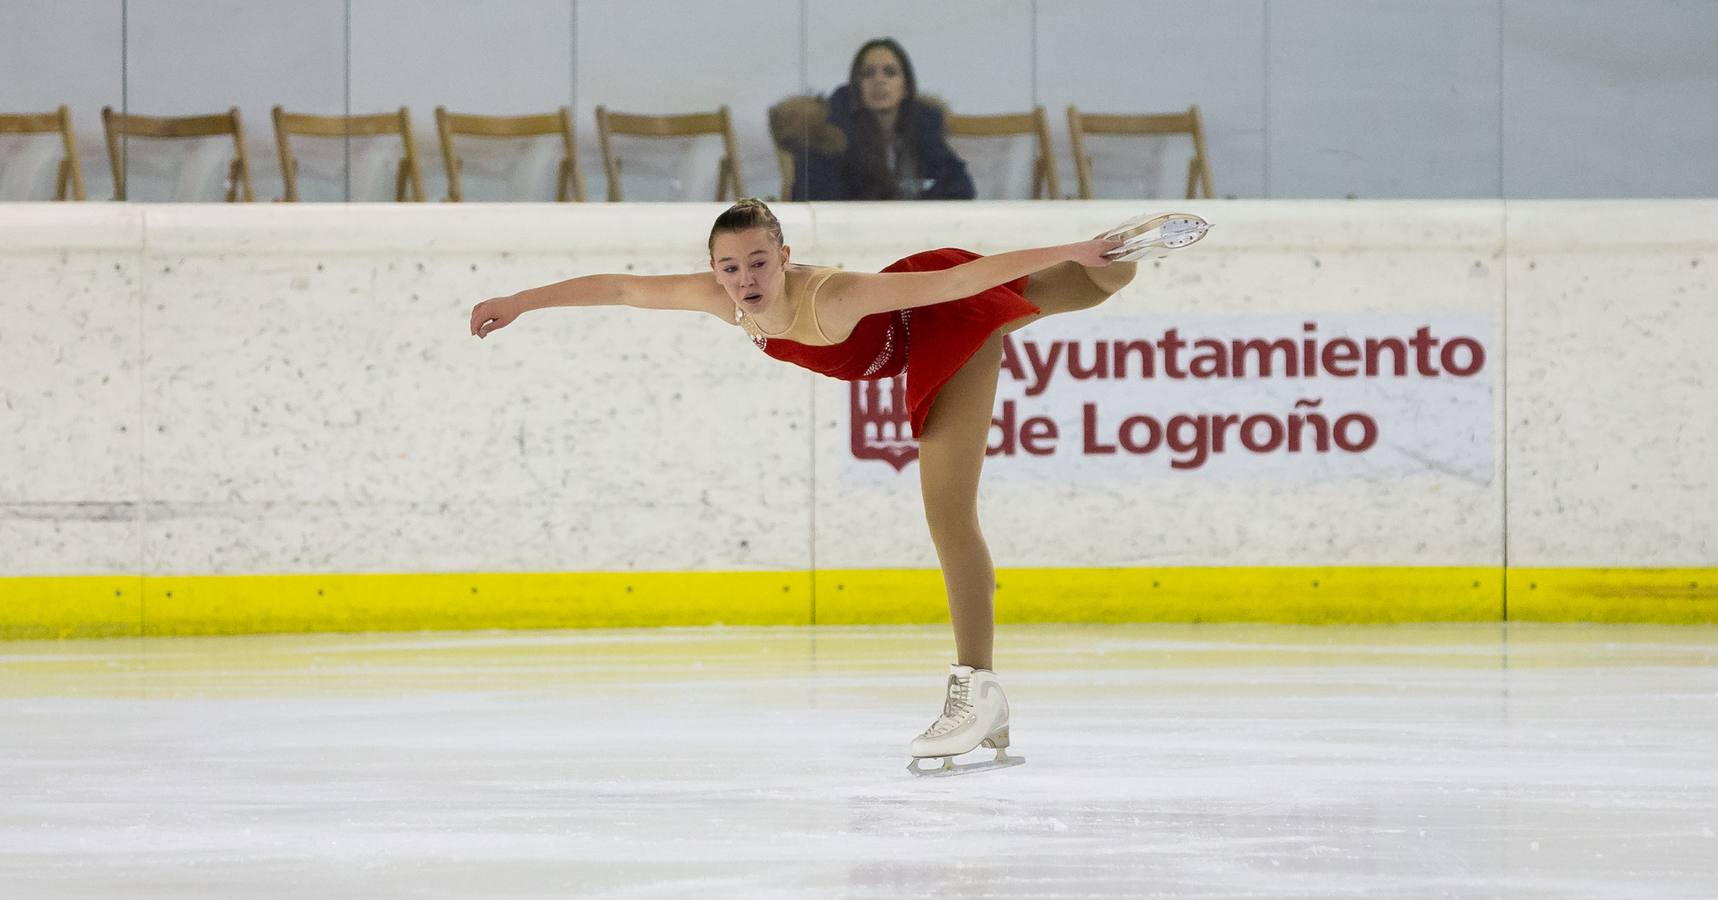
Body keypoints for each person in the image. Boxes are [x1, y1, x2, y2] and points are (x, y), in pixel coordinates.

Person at [469, 200, 1210, 775]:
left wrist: (1066, 246)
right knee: (1060, 293)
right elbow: (624, 287)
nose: (745, 282)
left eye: (759, 263)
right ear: (715, 270)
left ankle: (977, 687)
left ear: (784, 257)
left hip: (941, 324)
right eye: (730, 268)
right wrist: (521, 300)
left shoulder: (835, 297)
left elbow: (957, 282)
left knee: (949, 514)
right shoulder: (719, 298)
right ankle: (1121, 256)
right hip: (922, 315)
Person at [773, 37, 975, 201]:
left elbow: (961, 194)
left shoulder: (926, 131)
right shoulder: (831, 139)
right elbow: (818, 205)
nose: (879, 80)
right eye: (868, 73)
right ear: (856, 86)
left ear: (905, 87)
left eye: (890, 72)